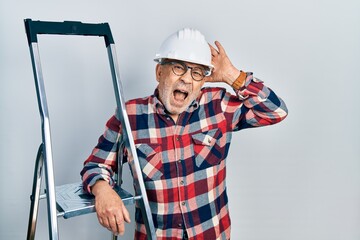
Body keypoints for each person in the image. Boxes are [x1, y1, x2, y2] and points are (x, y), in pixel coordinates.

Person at [81, 28, 288, 240]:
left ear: (202, 81)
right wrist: (103, 190)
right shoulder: (131, 116)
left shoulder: (219, 106)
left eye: (197, 73)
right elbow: (95, 165)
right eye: (179, 68)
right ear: (159, 72)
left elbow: (276, 111)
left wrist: (231, 75)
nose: (187, 80)